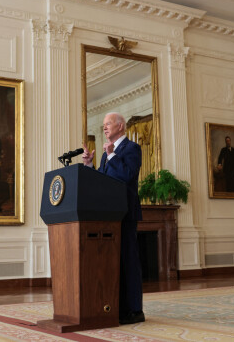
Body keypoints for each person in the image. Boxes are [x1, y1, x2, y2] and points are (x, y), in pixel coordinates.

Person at [82, 112, 145, 325]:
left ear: (120, 126)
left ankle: (135, 310)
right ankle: (116, 306)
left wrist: (111, 156)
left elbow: (127, 176)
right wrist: (91, 166)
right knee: (112, 262)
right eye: (103, 125)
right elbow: (103, 181)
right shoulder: (106, 153)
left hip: (125, 213)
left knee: (128, 260)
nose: (104, 128)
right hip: (108, 215)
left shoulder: (131, 149)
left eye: (108, 124)